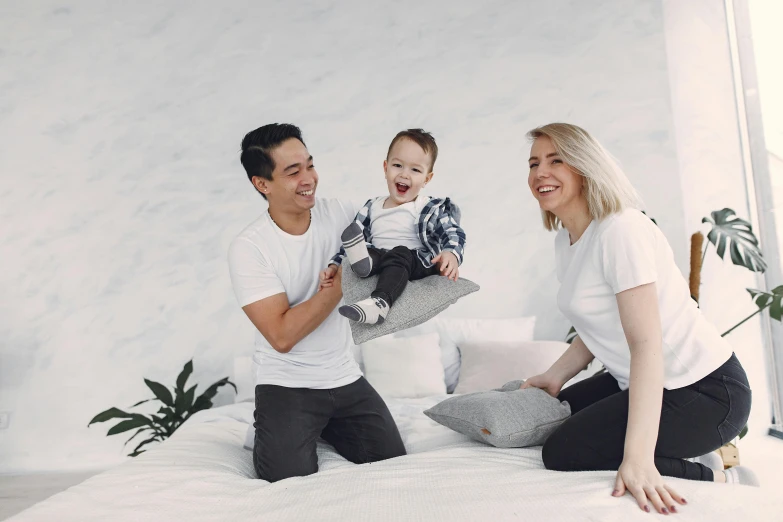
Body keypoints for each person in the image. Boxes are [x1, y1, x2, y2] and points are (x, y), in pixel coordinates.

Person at [521, 123, 756, 514]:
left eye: (556, 160)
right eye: (533, 163)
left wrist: (638, 457)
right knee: (554, 411)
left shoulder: (620, 230)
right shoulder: (568, 240)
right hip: (643, 382)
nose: (540, 172)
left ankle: (718, 474)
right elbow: (599, 324)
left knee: (563, 451)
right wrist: (554, 376)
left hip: (707, 392)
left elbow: (646, 344)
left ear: (584, 167)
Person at [228, 123, 406, 483]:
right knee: (288, 482)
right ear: (262, 184)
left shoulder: (342, 214)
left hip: (343, 375)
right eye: (293, 172)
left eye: (310, 165)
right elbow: (281, 335)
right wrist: (343, 281)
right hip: (286, 383)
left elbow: (398, 232)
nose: (308, 178)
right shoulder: (250, 247)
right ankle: (270, 428)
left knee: (391, 464)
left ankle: (323, 426)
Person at [319, 129, 466, 325]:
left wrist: (451, 253)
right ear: (386, 168)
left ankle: (379, 304)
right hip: (383, 257)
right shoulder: (372, 206)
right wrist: (334, 265)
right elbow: (352, 241)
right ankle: (365, 265)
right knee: (368, 252)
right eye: (398, 165)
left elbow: (452, 231)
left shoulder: (426, 207)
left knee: (400, 253)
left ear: (427, 179)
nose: (404, 174)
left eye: (415, 170)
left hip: (416, 261)